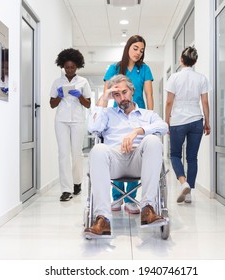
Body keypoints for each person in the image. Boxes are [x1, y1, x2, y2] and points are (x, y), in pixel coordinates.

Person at [84, 74, 168, 239]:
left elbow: (164, 127)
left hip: (140, 159)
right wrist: (104, 98)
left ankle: (148, 209)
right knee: (98, 149)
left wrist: (137, 131)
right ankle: (103, 219)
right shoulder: (107, 114)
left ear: (132, 91)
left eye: (124, 92)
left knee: (152, 140)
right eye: (116, 94)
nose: (122, 97)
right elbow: (93, 127)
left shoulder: (147, 115)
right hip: (114, 160)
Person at [103, 35, 154, 214]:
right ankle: (117, 197)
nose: (138, 53)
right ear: (128, 48)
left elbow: (149, 95)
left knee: (134, 148)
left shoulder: (144, 69)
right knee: (117, 147)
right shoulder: (114, 68)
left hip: (137, 114)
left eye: (141, 50)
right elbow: (106, 93)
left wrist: (149, 117)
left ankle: (131, 199)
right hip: (118, 114)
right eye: (135, 48)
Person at [165, 46, 211, 204]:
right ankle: (189, 192)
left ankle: (183, 182)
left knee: (175, 155)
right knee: (192, 158)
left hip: (178, 120)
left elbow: (169, 101)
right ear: (195, 61)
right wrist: (207, 121)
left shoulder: (174, 78)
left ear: (181, 60)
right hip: (196, 120)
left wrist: (167, 120)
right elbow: (204, 102)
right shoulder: (201, 78)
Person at [49, 48, 91, 201]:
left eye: (73, 67)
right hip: (61, 121)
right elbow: (52, 104)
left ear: (77, 66)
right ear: (63, 66)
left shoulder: (83, 82)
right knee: (63, 154)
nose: (70, 70)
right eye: (67, 67)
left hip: (78, 121)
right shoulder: (57, 82)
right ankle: (66, 190)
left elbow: (87, 104)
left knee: (77, 153)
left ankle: (77, 182)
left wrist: (79, 96)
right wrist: (60, 96)